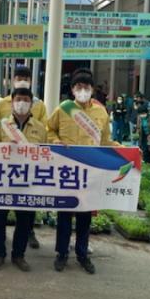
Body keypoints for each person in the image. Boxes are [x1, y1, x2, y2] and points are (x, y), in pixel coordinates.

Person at [47, 73, 119, 274]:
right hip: (67, 170)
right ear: (72, 90)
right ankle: (62, 253)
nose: (82, 91)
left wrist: (125, 150)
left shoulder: (101, 112)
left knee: (85, 215)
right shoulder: (64, 109)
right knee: (64, 213)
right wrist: (55, 141)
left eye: (86, 87)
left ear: (92, 89)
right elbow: (49, 129)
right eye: (78, 87)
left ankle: (82, 254)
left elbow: (106, 141)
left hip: (90, 171)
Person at [0, 88, 47, 272]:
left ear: (31, 103)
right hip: (4, 180)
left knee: (25, 220)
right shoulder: (2, 125)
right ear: (12, 102)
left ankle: (18, 255)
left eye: (26, 100)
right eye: (18, 99)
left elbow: (46, 154)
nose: (22, 103)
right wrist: (5, 148)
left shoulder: (40, 128)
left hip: (27, 182)